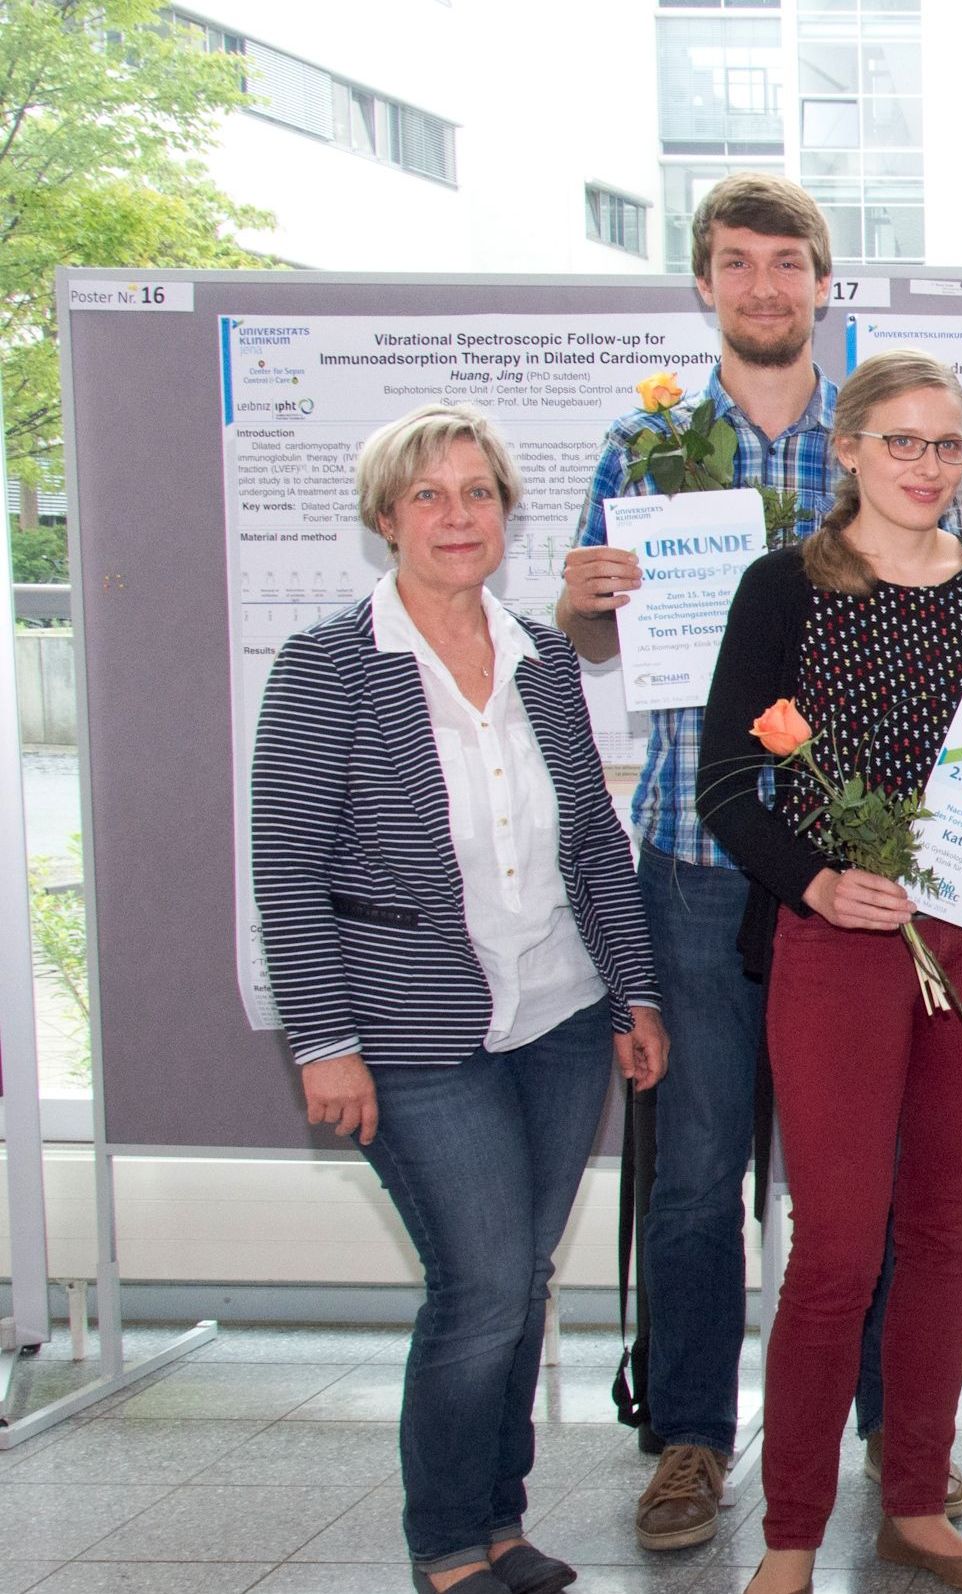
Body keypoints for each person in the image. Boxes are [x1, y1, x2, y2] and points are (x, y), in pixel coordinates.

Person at [554, 173, 923, 1550]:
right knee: (700, 1169)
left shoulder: (873, 440)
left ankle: (895, 1427)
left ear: (827, 281)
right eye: (736, 263)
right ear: (701, 284)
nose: (765, 285)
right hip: (694, 851)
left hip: (851, 858)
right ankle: (692, 1440)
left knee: (855, 1166)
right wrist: (583, 606)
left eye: (788, 262)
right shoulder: (642, 444)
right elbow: (594, 646)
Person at [252, 403, 669, 1594]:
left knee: (520, 1278)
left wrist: (634, 992)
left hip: (556, 1019)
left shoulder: (539, 656)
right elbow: (284, 863)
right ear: (385, 517)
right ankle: (444, 1540)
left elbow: (591, 840)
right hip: (410, 1034)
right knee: (482, 1282)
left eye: (477, 493)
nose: (456, 516)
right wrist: (324, 1041)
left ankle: (500, 1522)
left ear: (505, 514)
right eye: (429, 496)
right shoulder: (330, 664)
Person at [696, 348, 962, 1594]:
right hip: (841, 941)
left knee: (945, 1234)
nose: (930, 466)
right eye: (906, 442)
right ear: (849, 451)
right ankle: (791, 1535)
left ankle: (917, 1501)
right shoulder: (784, 587)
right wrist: (812, 880)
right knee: (837, 1248)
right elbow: (726, 783)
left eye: (950, 444)